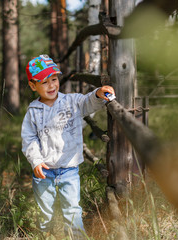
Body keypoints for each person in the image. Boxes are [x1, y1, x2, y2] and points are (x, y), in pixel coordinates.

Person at [21, 54, 115, 239]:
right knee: (45, 210)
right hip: (44, 171)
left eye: (54, 79)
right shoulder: (33, 111)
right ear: (33, 86)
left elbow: (87, 102)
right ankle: (44, 234)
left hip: (69, 169)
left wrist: (98, 93)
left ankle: (77, 237)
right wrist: (36, 161)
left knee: (72, 209)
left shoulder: (71, 101)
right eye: (44, 82)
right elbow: (29, 139)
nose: (51, 85)